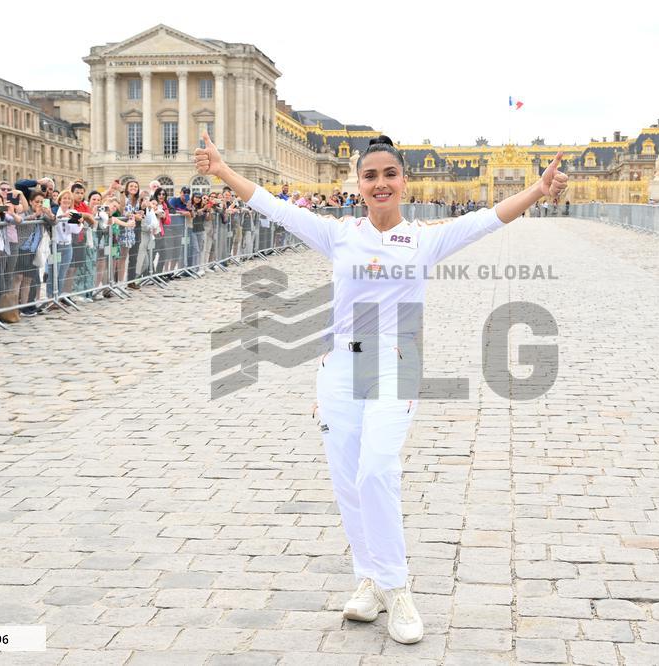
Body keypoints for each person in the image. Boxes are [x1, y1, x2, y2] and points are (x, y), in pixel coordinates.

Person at [194, 131, 568, 646]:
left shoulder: (424, 239)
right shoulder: (339, 235)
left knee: (376, 471)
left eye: (389, 174)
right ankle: (368, 579)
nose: (380, 183)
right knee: (348, 481)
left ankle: (398, 587)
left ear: (403, 181)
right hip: (339, 368)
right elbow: (275, 207)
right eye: (370, 176)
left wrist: (538, 190)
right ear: (359, 185)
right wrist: (222, 170)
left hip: (394, 363)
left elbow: (487, 219)